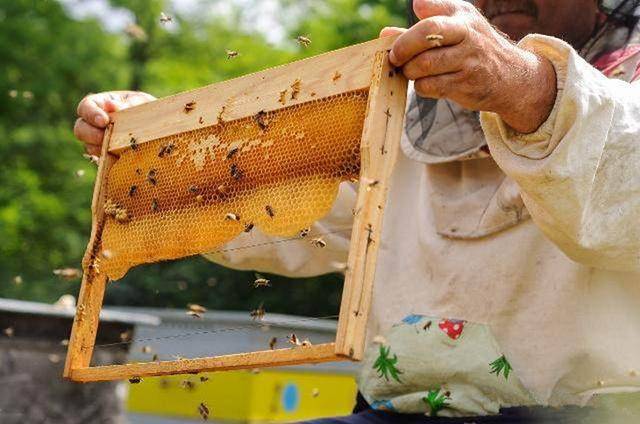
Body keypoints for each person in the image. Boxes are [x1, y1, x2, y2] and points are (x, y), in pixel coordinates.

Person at [73, 0, 640, 422]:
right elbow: (292, 215)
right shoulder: (402, 111)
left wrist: (528, 88)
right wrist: (163, 153)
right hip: (401, 410)